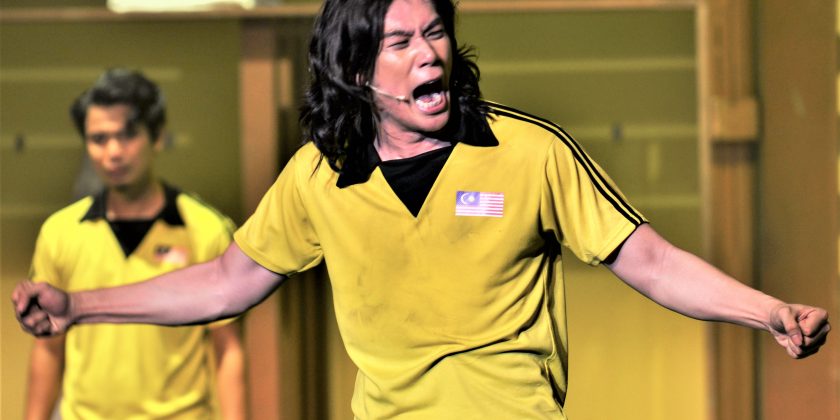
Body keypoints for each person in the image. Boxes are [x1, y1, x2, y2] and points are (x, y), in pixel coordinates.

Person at [14, 1, 830, 418]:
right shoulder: (320, 177)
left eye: (435, 33)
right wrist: (79, 307)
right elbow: (226, 283)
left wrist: (767, 313)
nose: (429, 53)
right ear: (357, 71)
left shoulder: (528, 151)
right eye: (400, 42)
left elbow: (649, 261)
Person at [21, 68, 246, 420]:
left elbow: (228, 348)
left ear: (156, 136)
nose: (113, 152)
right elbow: (48, 348)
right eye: (98, 139)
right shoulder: (59, 233)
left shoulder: (206, 230)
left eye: (127, 135)